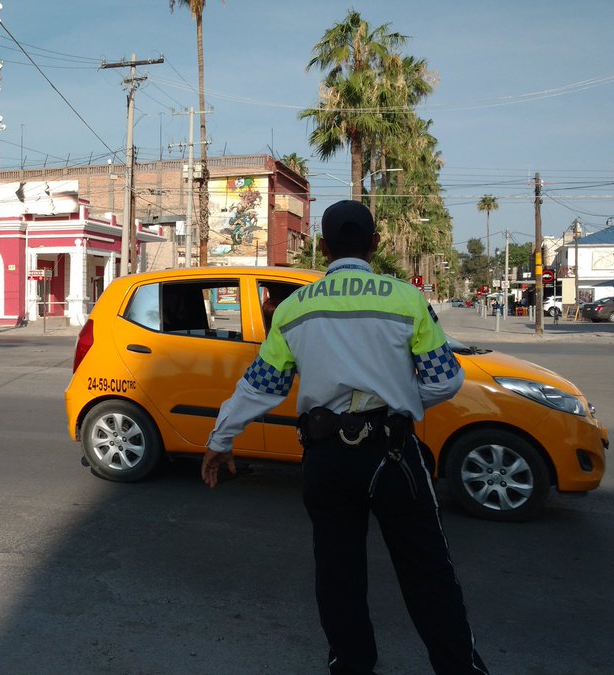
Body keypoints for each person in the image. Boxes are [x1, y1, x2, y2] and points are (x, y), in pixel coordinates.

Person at [202, 200, 488, 675]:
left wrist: (220, 439)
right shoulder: (405, 299)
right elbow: (445, 381)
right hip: (393, 455)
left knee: (338, 573)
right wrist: (400, 398)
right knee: (428, 572)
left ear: (324, 247)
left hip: (326, 459)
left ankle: (351, 666)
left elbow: (260, 386)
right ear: (374, 245)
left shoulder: (293, 309)